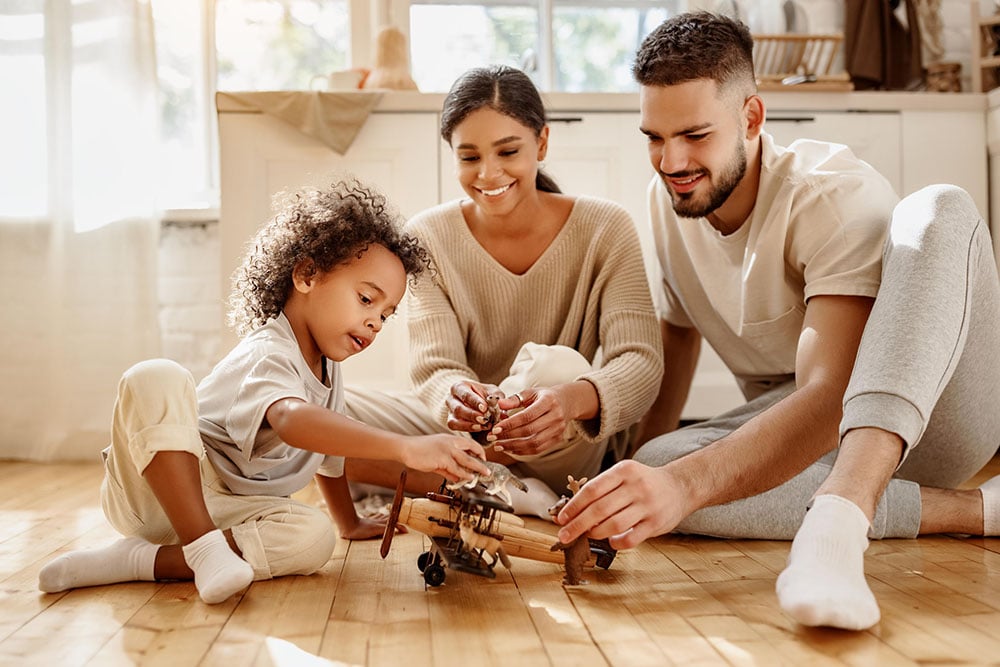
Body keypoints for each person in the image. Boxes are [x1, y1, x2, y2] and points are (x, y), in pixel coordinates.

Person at [553, 11, 1000, 631]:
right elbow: (677, 339)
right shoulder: (670, 200)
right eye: (654, 137)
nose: (671, 160)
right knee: (662, 464)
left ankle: (840, 526)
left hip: (935, 413)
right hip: (809, 427)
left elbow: (828, 399)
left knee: (938, 208)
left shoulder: (828, 196)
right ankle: (979, 510)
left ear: (752, 119)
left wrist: (685, 488)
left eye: (695, 135)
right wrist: (629, 477)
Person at [38, 179, 489, 604]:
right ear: (307, 275)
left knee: (314, 538)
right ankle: (201, 548)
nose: (375, 322)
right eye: (367, 300)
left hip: (229, 512)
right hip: (158, 492)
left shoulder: (329, 371)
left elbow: (327, 460)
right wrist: (406, 448)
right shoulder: (270, 351)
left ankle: (141, 561)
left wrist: (347, 521)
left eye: (386, 315)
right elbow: (293, 421)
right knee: (157, 375)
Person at [343, 65, 663, 517]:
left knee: (558, 367)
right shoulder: (428, 235)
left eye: (508, 151)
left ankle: (442, 480)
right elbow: (434, 368)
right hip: (461, 438)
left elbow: (640, 361)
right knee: (315, 406)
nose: (488, 174)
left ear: (542, 143)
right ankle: (507, 490)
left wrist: (567, 400)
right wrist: (459, 396)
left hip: (559, 442)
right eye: (469, 157)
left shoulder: (605, 227)